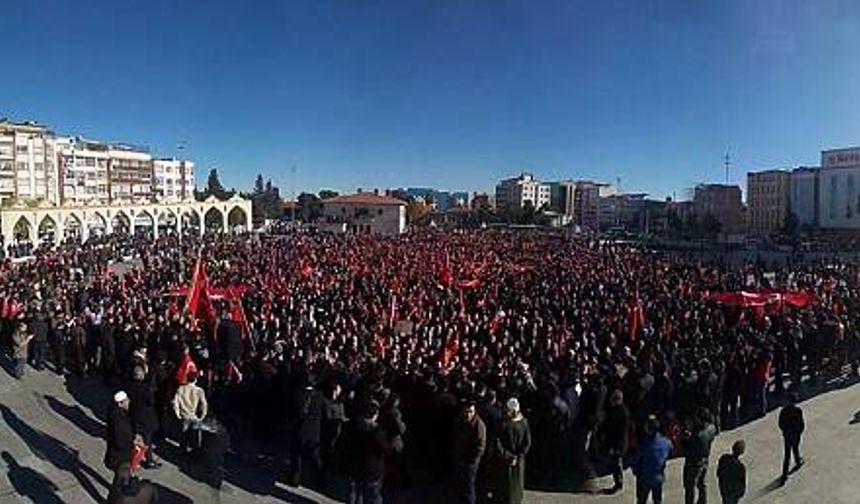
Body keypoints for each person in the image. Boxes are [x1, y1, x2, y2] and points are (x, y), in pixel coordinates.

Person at [343, 400, 388, 504]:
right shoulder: (377, 432)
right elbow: (386, 449)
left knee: (354, 493)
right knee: (373, 496)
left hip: (353, 467)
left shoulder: (349, 426)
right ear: (375, 415)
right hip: (372, 470)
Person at [496, 398, 531, 504]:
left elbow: (498, 442)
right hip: (516, 459)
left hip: (508, 459)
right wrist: (517, 456)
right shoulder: (524, 422)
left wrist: (509, 456)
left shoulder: (504, 423)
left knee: (510, 486)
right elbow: (527, 442)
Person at [127, 365, 162, 469]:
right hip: (146, 418)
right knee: (148, 440)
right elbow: (151, 402)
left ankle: (132, 457)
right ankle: (149, 460)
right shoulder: (146, 388)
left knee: (133, 438)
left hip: (134, 415)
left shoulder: (129, 386)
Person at [452, 400, 487, 504]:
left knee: (469, 486)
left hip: (470, 461)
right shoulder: (460, 421)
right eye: (466, 411)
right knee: (462, 485)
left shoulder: (479, 425)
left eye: (470, 412)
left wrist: (472, 459)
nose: (468, 414)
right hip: (461, 457)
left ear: (474, 411)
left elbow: (481, 446)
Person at [633, 415, 673, 504]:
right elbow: (670, 450)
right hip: (658, 476)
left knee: (641, 500)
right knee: (658, 500)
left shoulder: (644, 445)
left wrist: (635, 469)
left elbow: (636, 460)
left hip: (644, 477)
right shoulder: (666, 442)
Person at [682, 408, 717, 504]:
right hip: (705, 459)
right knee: (701, 482)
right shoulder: (712, 428)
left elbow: (687, 450)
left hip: (693, 462)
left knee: (689, 486)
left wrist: (686, 439)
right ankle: (703, 500)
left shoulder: (697, 436)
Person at [104, 391, 134, 502]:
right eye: (126, 401)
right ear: (120, 404)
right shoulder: (119, 420)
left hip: (118, 454)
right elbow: (121, 441)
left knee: (121, 479)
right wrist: (131, 444)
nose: (129, 402)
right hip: (120, 456)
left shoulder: (116, 414)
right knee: (119, 482)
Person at [173, 371, 208, 452]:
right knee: (194, 436)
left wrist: (177, 414)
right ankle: (194, 452)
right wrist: (203, 415)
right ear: (195, 379)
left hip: (184, 415)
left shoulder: (181, 388)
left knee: (183, 436)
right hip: (194, 416)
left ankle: (182, 451)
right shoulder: (199, 391)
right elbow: (204, 404)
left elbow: (175, 402)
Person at [603, 389, 630, 493]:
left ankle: (619, 483)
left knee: (617, 463)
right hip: (616, 441)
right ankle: (617, 482)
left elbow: (621, 430)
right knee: (615, 463)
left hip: (618, 442)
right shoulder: (617, 410)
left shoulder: (622, 412)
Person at [778, 392, 804, 485]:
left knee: (787, 454)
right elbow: (801, 424)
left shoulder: (783, 411)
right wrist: (799, 432)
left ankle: (784, 474)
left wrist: (784, 431)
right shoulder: (798, 410)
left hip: (787, 435)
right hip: (795, 434)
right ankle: (798, 462)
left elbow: (780, 424)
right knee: (796, 448)